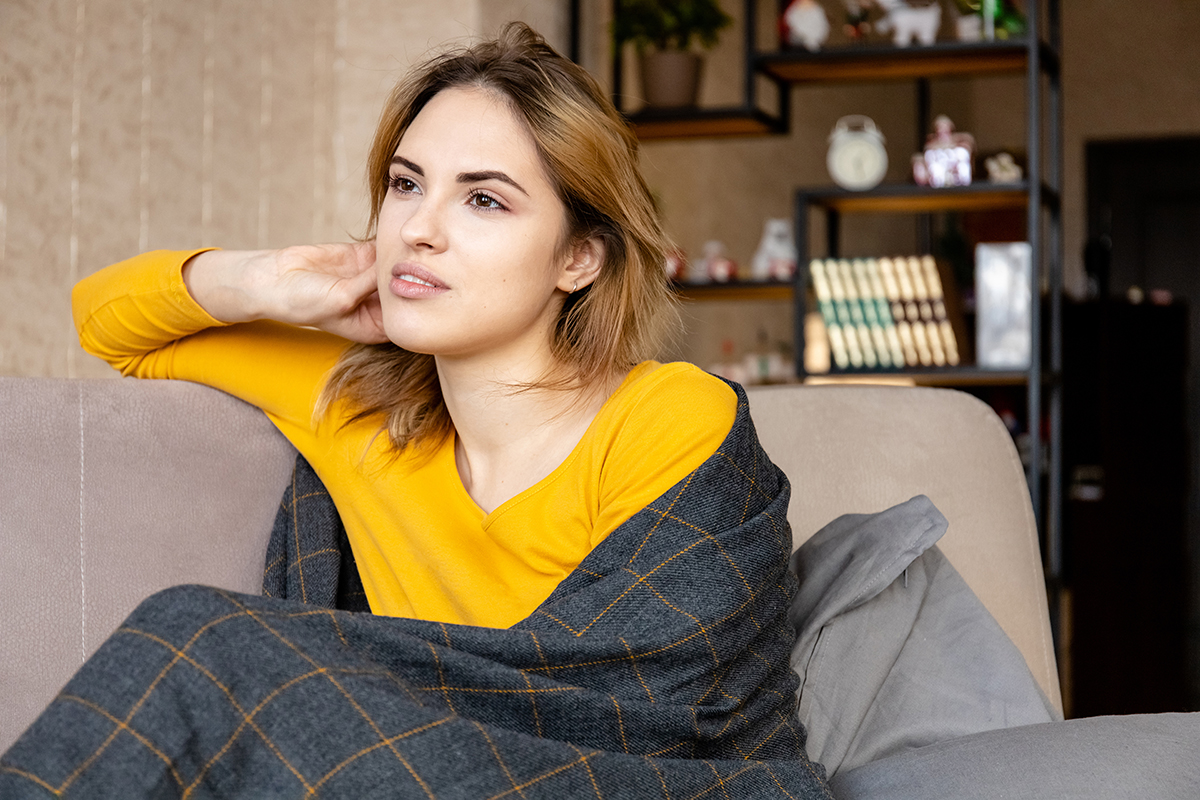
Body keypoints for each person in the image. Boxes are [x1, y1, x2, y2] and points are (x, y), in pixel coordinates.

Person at [2, 24, 828, 799]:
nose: (419, 230)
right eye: (406, 185)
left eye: (484, 201)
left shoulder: (668, 415)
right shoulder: (356, 405)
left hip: (652, 785)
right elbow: (108, 320)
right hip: (410, 774)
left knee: (206, 640)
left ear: (578, 257)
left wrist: (300, 676)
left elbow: (644, 703)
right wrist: (272, 279)